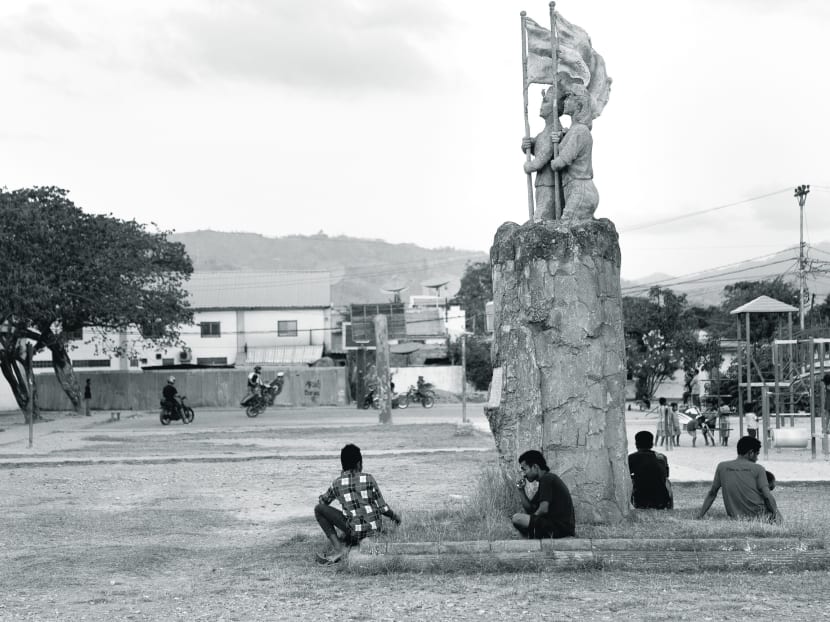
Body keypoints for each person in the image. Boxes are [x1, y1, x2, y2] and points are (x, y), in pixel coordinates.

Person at [314, 444, 401, 564]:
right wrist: (395, 518)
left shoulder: (337, 483)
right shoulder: (369, 479)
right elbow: (383, 508)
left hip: (354, 532)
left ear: (343, 465)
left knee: (318, 509)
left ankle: (340, 548)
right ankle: (353, 542)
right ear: (359, 464)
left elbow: (323, 502)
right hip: (374, 531)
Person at [696, 436, 782, 522]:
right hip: (759, 517)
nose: (757, 458)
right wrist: (779, 517)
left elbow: (712, 493)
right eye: (757, 454)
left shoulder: (722, 467)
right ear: (751, 453)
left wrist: (700, 515)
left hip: (735, 518)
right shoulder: (758, 469)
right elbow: (767, 496)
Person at [549, 84, 599, 221]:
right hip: (574, 188)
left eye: (568, 97)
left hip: (580, 189)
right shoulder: (573, 131)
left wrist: (552, 163)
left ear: (579, 104)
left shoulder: (580, 131)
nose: (564, 101)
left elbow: (561, 162)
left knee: (567, 225)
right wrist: (561, 138)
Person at [511, 450, 575, 539]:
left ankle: (529, 537)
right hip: (556, 527)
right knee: (520, 521)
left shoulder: (547, 479)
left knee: (517, 518)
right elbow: (530, 508)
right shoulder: (545, 480)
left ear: (535, 467)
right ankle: (530, 537)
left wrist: (530, 521)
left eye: (524, 469)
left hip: (560, 529)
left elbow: (543, 509)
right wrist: (521, 490)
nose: (524, 474)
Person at [521, 88, 561, 221]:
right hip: (542, 183)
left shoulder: (555, 130)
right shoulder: (544, 132)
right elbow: (537, 147)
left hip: (550, 184)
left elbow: (544, 156)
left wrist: (529, 166)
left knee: (541, 218)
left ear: (554, 107)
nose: (541, 105)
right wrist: (528, 145)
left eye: (546, 101)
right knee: (539, 218)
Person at [628, 431, 672, 510]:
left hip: (640, 499)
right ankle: (670, 507)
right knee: (667, 481)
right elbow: (666, 475)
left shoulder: (631, 458)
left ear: (636, 444)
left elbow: (627, 476)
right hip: (662, 499)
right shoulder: (662, 457)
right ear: (652, 443)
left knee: (630, 480)